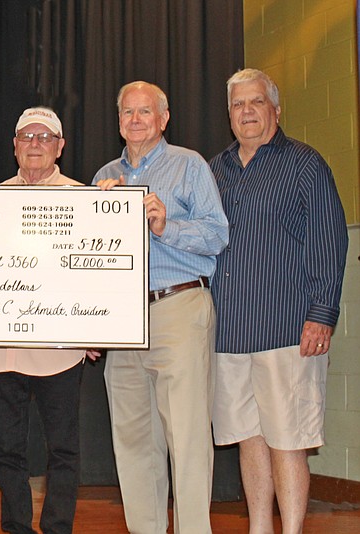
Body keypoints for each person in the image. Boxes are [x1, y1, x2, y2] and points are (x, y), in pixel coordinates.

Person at [209, 68, 348, 534]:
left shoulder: (306, 164)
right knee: (249, 439)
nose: (246, 112)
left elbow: (330, 242)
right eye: (237, 105)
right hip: (228, 333)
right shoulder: (215, 170)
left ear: (275, 110)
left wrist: (322, 314)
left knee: (288, 440)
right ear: (229, 114)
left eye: (256, 103)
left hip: (288, 329)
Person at [93, 82, 229, 533]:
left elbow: (217, 235)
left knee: (187, 439)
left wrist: (165, 223)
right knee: (132, 442)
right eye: (127, 112)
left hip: (178, 306)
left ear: (164, 118)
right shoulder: (103, 176)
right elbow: (88, 259)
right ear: (118, 121)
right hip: (124, 318)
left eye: (144, 112)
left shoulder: (189, 165)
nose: (135, 120)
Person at [0, 107, 95, 534]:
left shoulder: (85, 199)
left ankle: (58, 527)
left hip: (62, 348)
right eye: (27, 136)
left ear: (60, 146)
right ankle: (16, 526)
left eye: (45, 137)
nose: (36, 144)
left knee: (63, 450)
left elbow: (96, 273)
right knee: (7, 450)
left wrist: (101, 326)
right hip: (4, 350)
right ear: (14, 145)